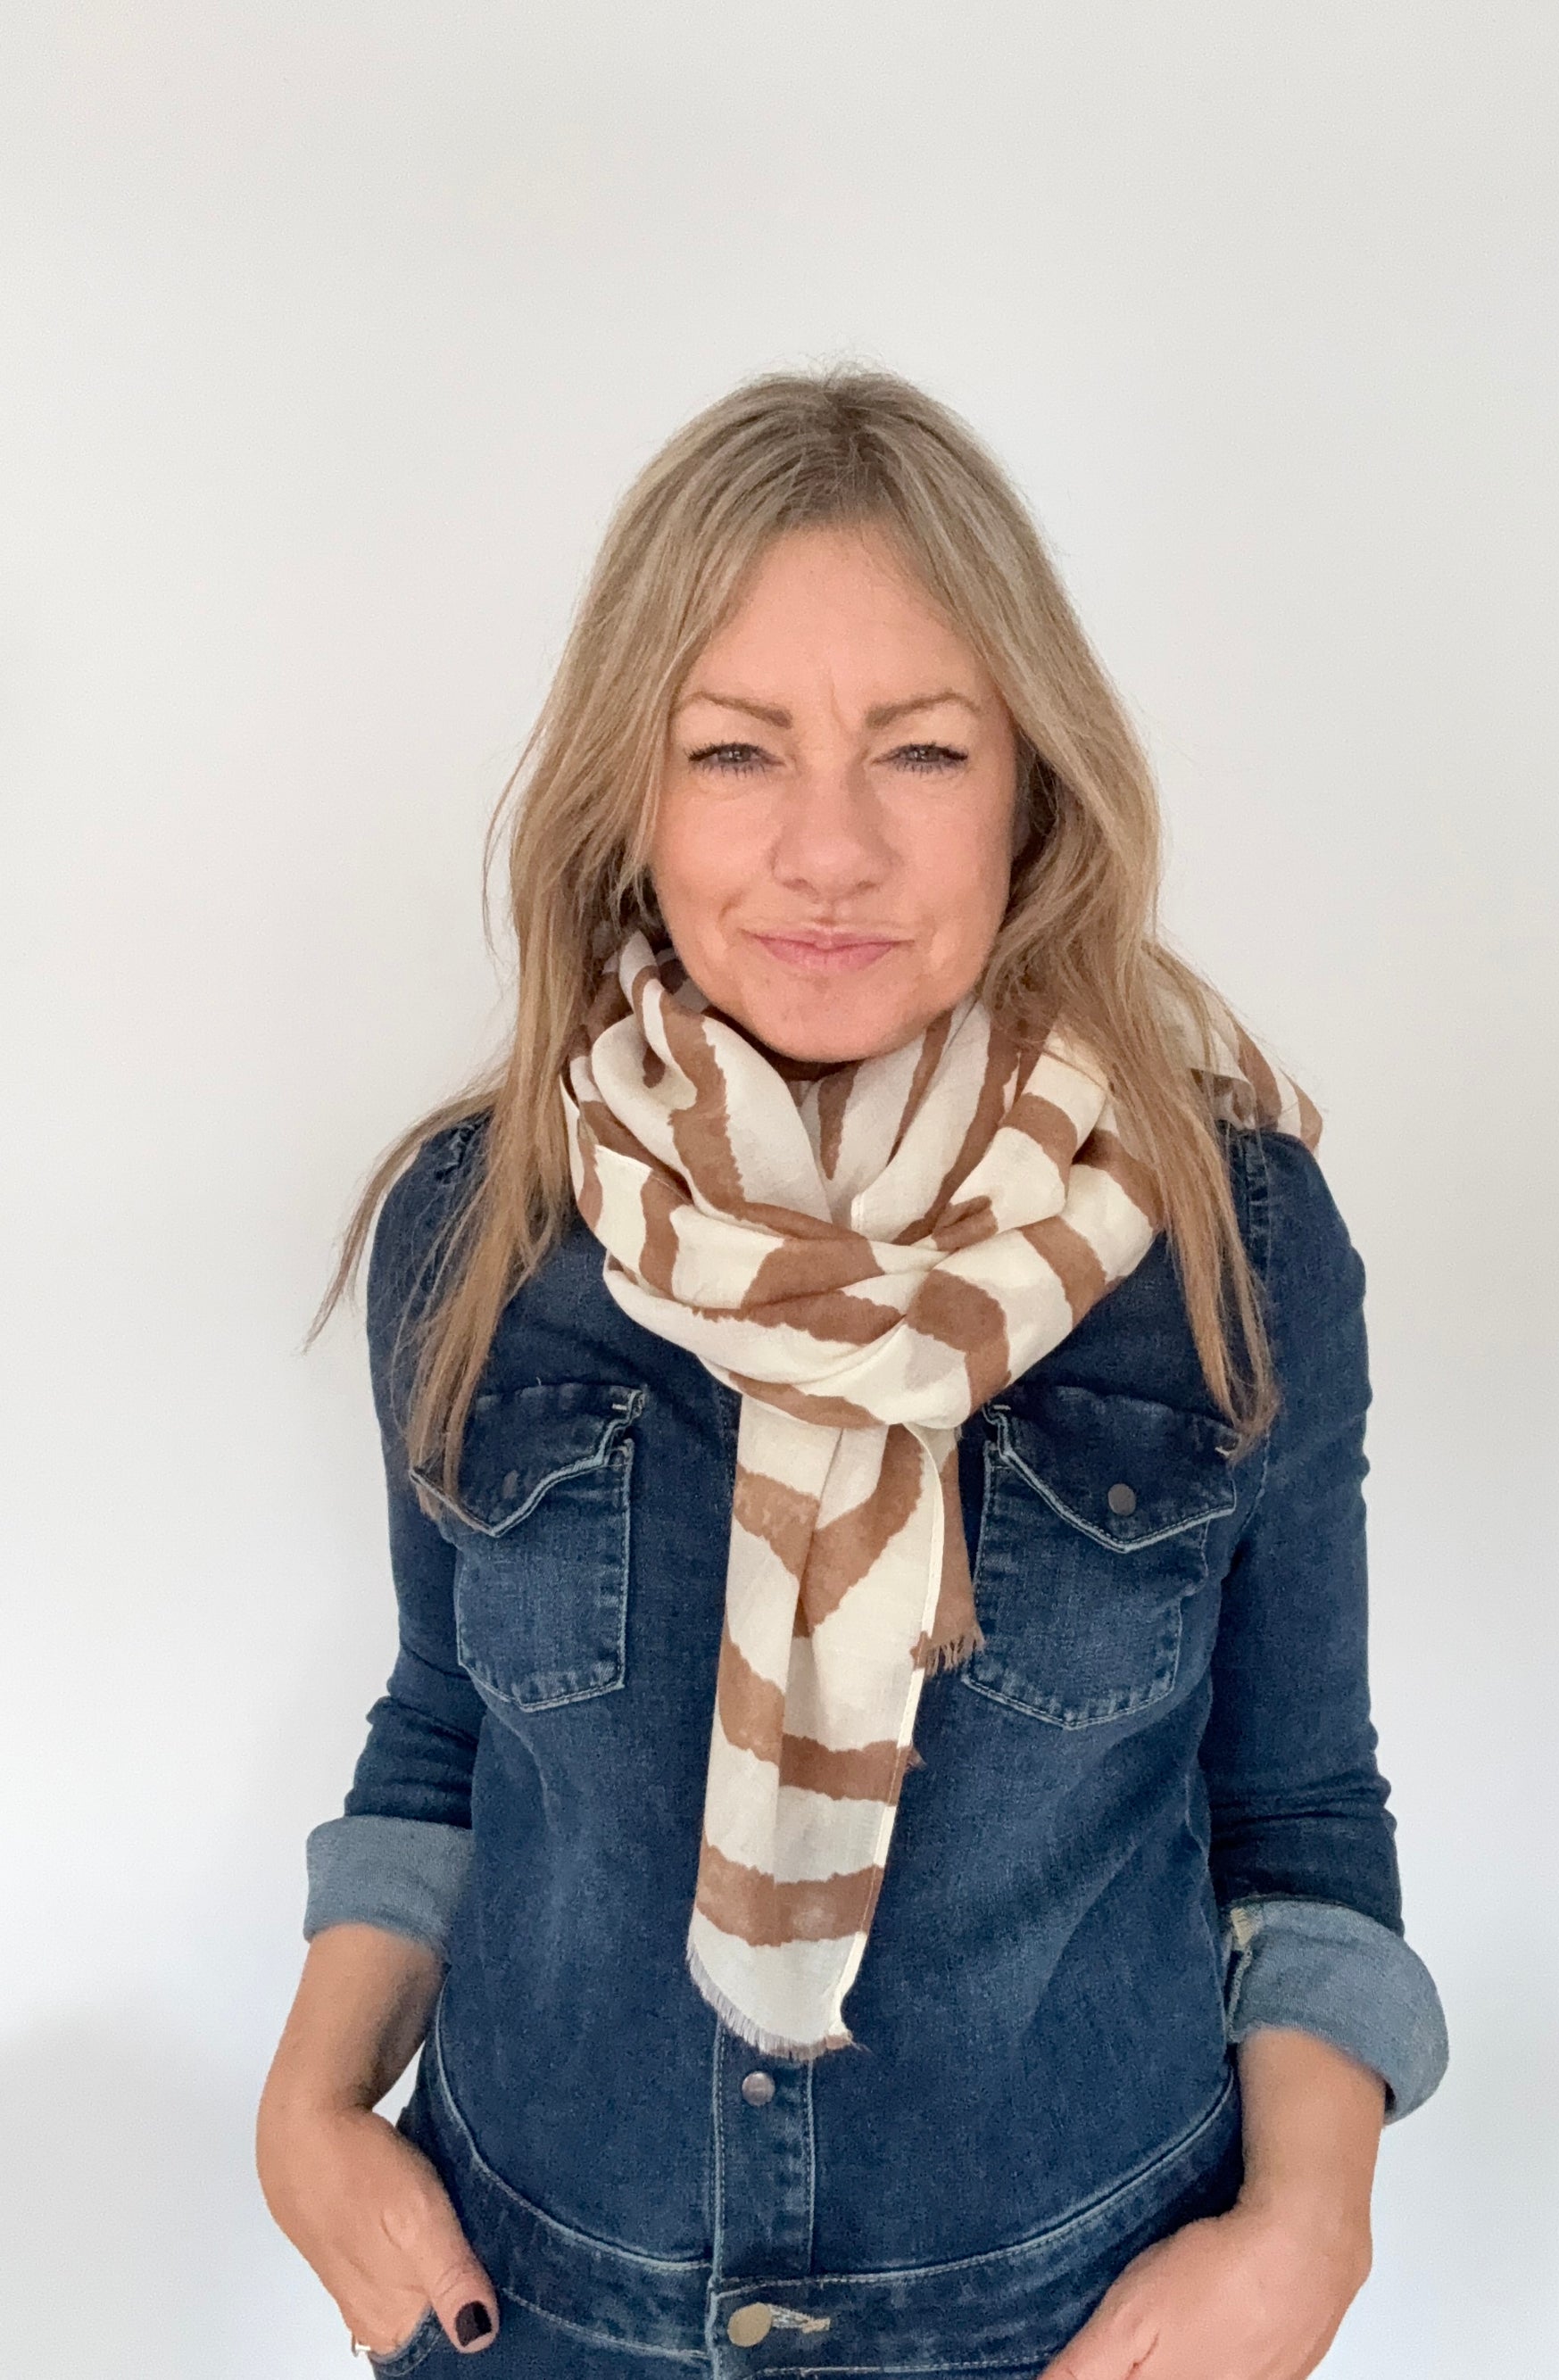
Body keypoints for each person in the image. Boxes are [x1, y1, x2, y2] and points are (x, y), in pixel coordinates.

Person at [256, 367, 1448, 2380]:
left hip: (1068, 2325)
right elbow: (445, 1733)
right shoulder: (481, 1224)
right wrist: (307, 2118)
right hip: (536, 2316)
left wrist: (1304, 2231)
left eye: (918, 748)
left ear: (1031, 790)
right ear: (631, 793)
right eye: (735, 750)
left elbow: (1300, 1803)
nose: (828, 849)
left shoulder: (1226, 1241)